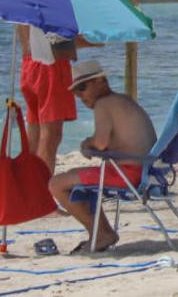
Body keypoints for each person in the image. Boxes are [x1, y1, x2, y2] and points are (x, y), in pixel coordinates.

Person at [49, 60, 158, 253]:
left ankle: (101, 234)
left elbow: (100, 143)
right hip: (145, 171)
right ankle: (102, 232)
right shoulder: (123, 100)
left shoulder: (103, 104)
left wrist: (86, 143)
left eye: (82, 87)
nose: (80, 96)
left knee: (56, 184)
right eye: (75, 92)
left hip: (128, 174)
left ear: (101, 81)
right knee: (75, 176)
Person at [15, 25, 100, 173]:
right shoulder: (50, 3)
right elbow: (57, 42)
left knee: (35, 129)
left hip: (29, 64)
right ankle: (41, 186)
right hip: (50, 66)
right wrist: (95, 40)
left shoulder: (27, 4)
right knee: (51, 135)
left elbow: (44, 38)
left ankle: (28, 182)